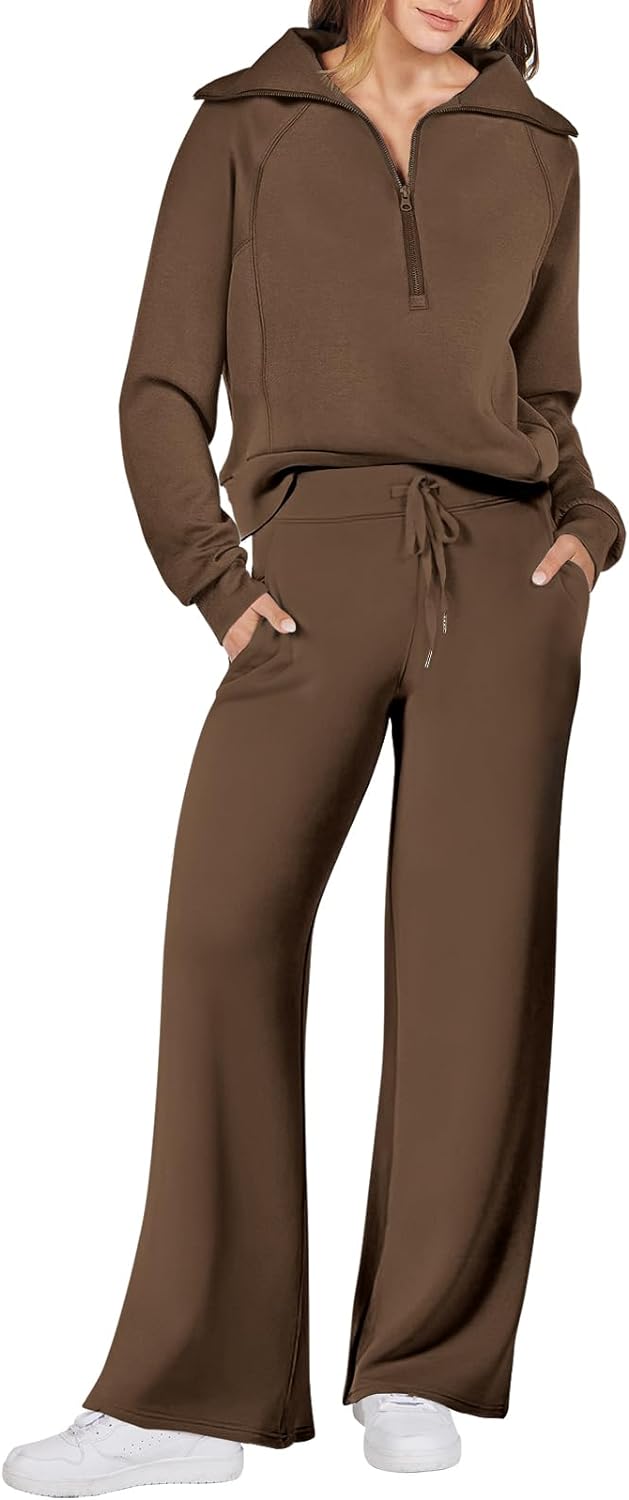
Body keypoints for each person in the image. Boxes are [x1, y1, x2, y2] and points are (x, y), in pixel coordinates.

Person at [4, 0, 625, 1488]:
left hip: (504, 573)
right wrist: (216, 584)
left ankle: (420, 1364)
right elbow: (161, 387)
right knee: (224, 928)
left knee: (473, 966)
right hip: (308, 566)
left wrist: (587, 534)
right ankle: (187, 1402)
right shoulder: (245, 125)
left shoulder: (538, 147)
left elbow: (543, 398)